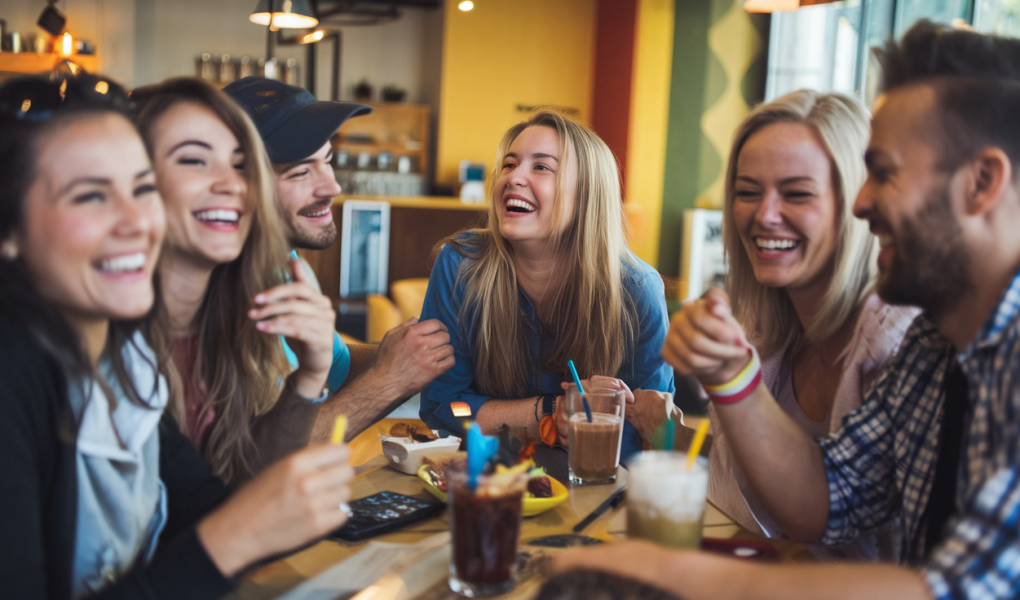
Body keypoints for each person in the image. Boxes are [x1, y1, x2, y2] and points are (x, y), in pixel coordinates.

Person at [549, 21, 1020, 600]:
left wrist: (679, 575)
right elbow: (830, 497)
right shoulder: (934, 341)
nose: (864, 202)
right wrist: (733, 375)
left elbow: (970, 588)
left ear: (983, 182)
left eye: (886, 174)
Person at [0, 72, 353, 599]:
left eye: (141, 189)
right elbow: (220, 535)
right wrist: (238, 534)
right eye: (91, 195)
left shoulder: (118, 362)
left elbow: (207, 514)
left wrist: (308, 388)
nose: (135, 219)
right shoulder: (16, 369)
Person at [628, 90, 918, 560]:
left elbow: (829, 509)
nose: (764, 215)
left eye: (797, 193)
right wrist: (666, 431)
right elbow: (747, 482)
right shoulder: (764, 329)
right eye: (748, 192)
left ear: (860, 203)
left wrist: (730, 380)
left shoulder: (903, 337)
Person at [417, 110, 674, 462]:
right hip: (489, 485)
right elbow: (446, 410)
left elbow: (649, 436)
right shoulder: (460, 264)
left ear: (586, 194)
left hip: (598, 495)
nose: (513, 178)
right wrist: (549, 412)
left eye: (541, 167)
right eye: (509, 164)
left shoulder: (637, 290)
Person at [222, 77, 455, 445]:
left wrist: (427, 354)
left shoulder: (284, 261)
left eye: (327, 160)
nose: (332, 187)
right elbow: (255, 455)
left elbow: (337, 367)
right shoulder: (219, 293)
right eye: (301, 171)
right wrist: (392, 379)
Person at [132, 78, 342, 484]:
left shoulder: (227, 311)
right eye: (195, 160)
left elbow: (227, 488)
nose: (233, 184)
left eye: (240, 165)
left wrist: (310, 379)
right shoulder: (106, 343)